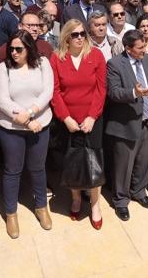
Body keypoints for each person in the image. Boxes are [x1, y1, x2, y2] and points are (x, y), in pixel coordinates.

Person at [50, 19, 107, 229]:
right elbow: (55, 91)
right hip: (69, 122)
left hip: (92, 120)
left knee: (94, 163)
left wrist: (92, 116)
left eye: (83, 33)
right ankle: (75, 198)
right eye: (75, 34)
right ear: (66, 37)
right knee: (73, 162)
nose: (80, 38)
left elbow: (101, 89)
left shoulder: (96, 55)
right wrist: (66, 118)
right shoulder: (56, 58)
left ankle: (95, 204)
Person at [0, 30, 54, 233]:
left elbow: (47, 92)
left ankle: (41, 207)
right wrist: (27, 121)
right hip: (11, 128)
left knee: (38, 168)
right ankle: (11, 213)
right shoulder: (4, 68)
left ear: (29, 48)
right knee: (13, 170)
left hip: (40, 124)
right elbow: (3, 100)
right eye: (11, 49)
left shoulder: (43, 64)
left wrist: (30, 113)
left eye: (19, 49)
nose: (14, 53)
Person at [105, 29, 148, 220]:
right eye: (139, 47)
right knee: (123, 166)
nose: (144, 49)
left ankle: (139, 191)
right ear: (128, 49)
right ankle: (121, 200)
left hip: (147, 123)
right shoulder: (114, 64)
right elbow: (113, 92)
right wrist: (134, 93)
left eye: (144, 45)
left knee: (144, 161)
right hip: (126, 124)